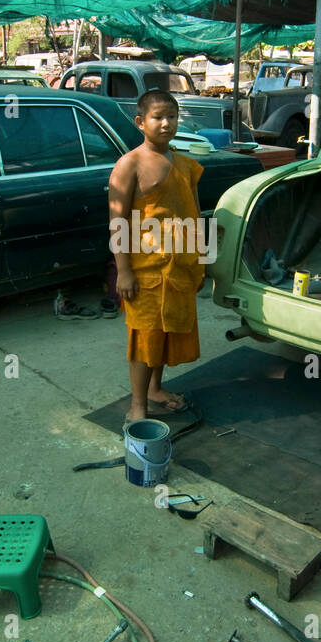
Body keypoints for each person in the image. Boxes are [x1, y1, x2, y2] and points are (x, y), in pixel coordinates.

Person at [107, 90, 207, 427]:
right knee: (144, 336)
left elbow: (194, 215)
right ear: (140, 122)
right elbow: (117, 221)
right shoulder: (129, 165)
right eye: (158, 117)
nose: (167, 124)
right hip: (144, 269)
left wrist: (202, 260)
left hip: (179, 267)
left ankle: (155, 389)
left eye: (173, 117)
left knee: (164, 334)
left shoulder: (184, 164)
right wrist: (123, 271)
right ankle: (138, 405)